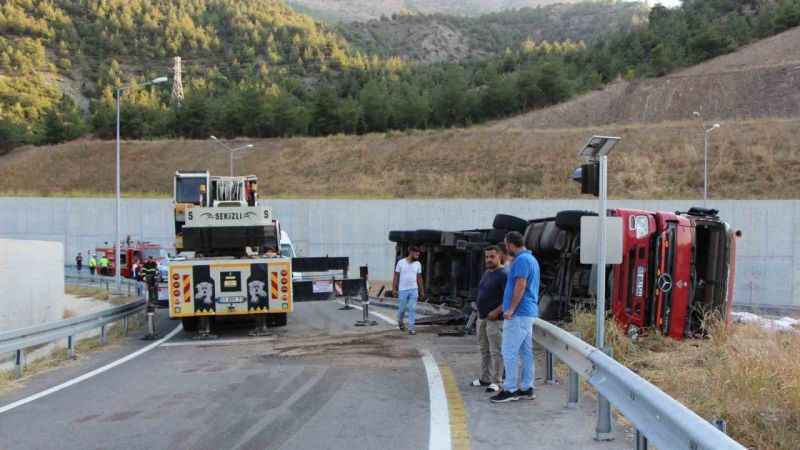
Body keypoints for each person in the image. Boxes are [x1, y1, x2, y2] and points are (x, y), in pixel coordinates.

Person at [491, 231, 540, 403]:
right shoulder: (530, 259)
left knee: (508, 351)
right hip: (527, 312)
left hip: (518, 314)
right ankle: (526, 388)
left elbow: (520, 284)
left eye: (506, 245)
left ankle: (510, 388)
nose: (506, 248)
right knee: (526, 352)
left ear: (511, 245)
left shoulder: (522, 261)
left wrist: (510, 309)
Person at [471, 245, 507, 393]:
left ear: (500, 256)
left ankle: (497, 381)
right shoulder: (487, 273)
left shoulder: (504, 274)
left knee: (496, 350)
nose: (489, 260)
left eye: (492, 256)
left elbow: (508, 298)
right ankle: (485, 378)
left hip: (495, 320)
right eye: (487, 257)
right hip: (482, 318)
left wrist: (496, 311)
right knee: (484, 350)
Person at [393, 246, 424, 335]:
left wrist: (421, 290)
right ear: (411, 252)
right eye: (416, 253)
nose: (418, 254)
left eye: (419, 253)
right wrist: (394, 289)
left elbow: (419, 278)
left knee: (412, 308)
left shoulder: (418, 264)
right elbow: (396, 276)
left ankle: (411, 328)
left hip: (414, 289)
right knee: (402, 309)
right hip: (402, 290)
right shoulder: (401, 263)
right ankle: (400, 321)